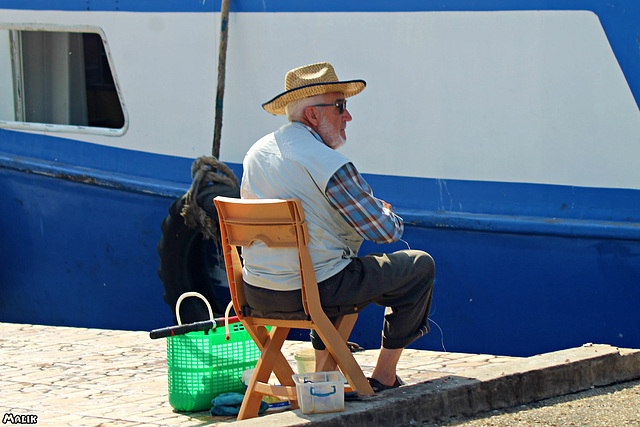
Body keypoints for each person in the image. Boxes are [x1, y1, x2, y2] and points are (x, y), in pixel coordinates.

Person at [240, 62, 435, 392]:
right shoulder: (327, 162)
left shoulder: (256, 153)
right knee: (418, 266)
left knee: (324, 262)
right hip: (313, 294)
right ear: (313, 116)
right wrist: (386, 212)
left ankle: (323, 377)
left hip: (257, 293)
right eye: (340, 107)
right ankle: (385, 376)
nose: (348, 117)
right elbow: (386, 233)